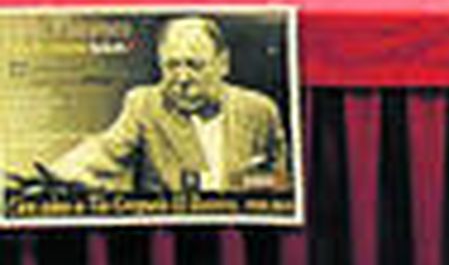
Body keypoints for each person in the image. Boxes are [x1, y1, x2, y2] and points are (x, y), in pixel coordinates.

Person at [44, 16, 288, 196]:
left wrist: (242, 184)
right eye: (172, 66)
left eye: (194, 65)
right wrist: (54, 176)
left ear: (222, 64)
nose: (182, 79)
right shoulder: (144, 104)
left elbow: (282, 182)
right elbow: (105, 150)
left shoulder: (260, 111)